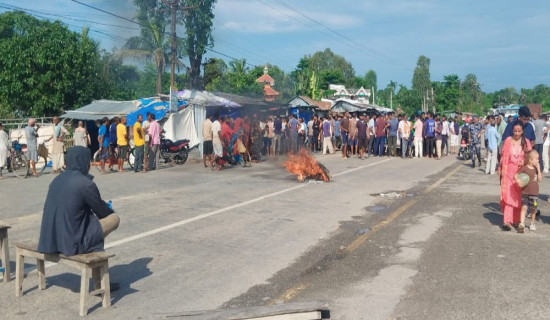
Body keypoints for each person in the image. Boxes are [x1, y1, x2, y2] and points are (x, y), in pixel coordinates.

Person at [38, 146, 120, 290]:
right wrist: (109, 209)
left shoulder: (56, 180)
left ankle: (99, 280)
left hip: (50, 239)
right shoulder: (85, 184)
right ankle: (100, 282)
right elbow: (102, 212)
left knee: (92, 227)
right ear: (84, 162)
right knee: (114, 219)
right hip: (71, 241)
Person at [499, 122, 532, 231]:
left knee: (519, 198)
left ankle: (517, 220)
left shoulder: (526, 142)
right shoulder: (508, 141)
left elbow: (531, 158)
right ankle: (507, 221)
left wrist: (525, 158)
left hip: (522, 174)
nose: (517, 133)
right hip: (509, 172)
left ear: (522, 131)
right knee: (508, 197)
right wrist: (501, 171)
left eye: (519, 131)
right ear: (512, 130)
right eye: (515, 131)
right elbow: (504, 157)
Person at [516, 150, 542, 232]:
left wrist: (538, 169)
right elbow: (516, 175)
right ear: (530, 160)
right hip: (525, 193)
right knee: (524, 207)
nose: (538, 160)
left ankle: (532, 223)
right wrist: (518, 181)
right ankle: (522, 224)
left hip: (534, 193)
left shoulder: (536, 169)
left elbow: (540, 180)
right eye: (536, 159)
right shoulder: (524, 168)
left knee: (533, 209)